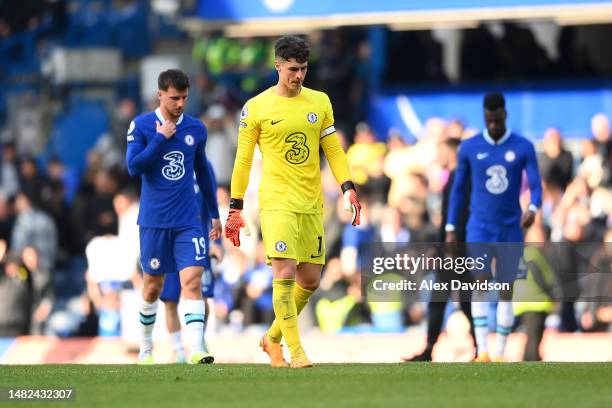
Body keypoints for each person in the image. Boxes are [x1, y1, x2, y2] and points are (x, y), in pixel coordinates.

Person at [225, 35, 361, 368]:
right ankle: (294, 351)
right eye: (292, 69)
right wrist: (236, 207)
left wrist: (348, 187)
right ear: (277, 66)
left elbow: (333, 150)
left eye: (303, 69)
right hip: (275, 202)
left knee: (311, 280)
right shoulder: (255, 108)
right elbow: (243, 159)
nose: (298, 76)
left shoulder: (320, 102)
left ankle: (271, 338)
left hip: (312, 203)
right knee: (284, 272)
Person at [126, 69, 222, 365]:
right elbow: (133, 167)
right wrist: (158, 139)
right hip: (154, 221)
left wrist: (214, 214)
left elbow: (203, 172)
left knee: (192, 280)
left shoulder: (195, 129)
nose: (180, 103)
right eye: (174, 98)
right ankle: (145, 348)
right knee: (153, 286)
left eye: (184, 98)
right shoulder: (142, 126)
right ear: (160, 95)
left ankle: (196, 349)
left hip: (188, 220)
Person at [446, 92, 542, 362]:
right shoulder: (469, 147)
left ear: (505, 115)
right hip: (479, 228)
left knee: (506, 288)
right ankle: (484, 351)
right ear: (484, 117)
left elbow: (536, 185)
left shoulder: (522, 146)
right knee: (480, 283)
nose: (494, 126)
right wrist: (452, 226)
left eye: (497, 120)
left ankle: (500, 352)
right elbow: (458, 190)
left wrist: (533, 209)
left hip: (510, 228)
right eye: (489, 121)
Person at [405, 137, 476, 362]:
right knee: (459, 300)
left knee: (448, 299)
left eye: (442, 151)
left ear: (453, 152)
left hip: (456, 250)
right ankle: (478, 347)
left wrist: (448, 248)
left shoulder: (458, 178)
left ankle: (430, 350)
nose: (439, 156)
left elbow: (457, 217)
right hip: (454, 249)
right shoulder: (455, 178)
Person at [160, 160, 222, 363]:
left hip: (197, 238)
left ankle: (199, 341)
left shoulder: (203, 165)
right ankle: (177, 350)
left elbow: (212, 203)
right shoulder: (165, 160)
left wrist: (215, 240)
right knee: (170, 298)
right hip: (168, 239)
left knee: (201, 294)